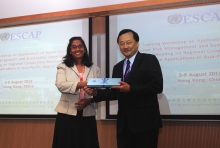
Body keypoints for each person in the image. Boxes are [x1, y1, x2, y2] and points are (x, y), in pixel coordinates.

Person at [85, 29, 163, 148]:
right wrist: (96, 93)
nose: (125, 46)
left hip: (146, 123)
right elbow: (114, 93)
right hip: (124, 124)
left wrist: (131, 89)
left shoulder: (149, 60)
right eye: (122, 43)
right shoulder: (118, 67)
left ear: (137, 43)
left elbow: (157, 86)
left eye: (128, 42)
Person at [52, 36, 100, 148]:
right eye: (74, 47)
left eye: (80, 46)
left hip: (87, 112)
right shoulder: (63, 66)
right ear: (70, 50)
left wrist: (93, 93)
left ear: (84, 49)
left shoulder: (94, 68)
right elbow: (61, 85)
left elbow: (98, 90)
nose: (77, 49)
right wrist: (81, 84)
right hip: (67, 114)